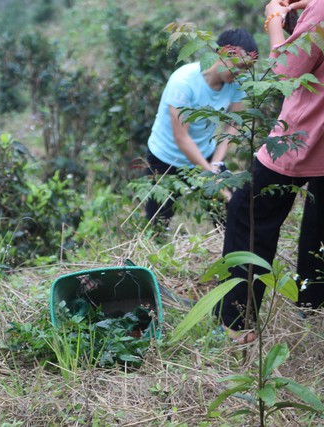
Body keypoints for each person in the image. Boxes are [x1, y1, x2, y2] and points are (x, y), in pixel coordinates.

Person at [217, 0, 324, 344]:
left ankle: (236, 324)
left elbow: (287, 69)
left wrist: (274, 20)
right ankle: (312, 308)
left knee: (248, 215)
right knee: (318, 226)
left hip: (303, 137)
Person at [144, 29, 258, 230]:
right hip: (165, 159)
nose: (241, 74)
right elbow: (181, 137)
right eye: (239, 67)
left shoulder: (236, 82)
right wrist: (212, 177)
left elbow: (234, 122)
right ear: (222, 55)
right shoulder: (184, 82)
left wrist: (217, 162)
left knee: (228, 214)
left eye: (246, 69)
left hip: (206, 154)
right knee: (158, 224)